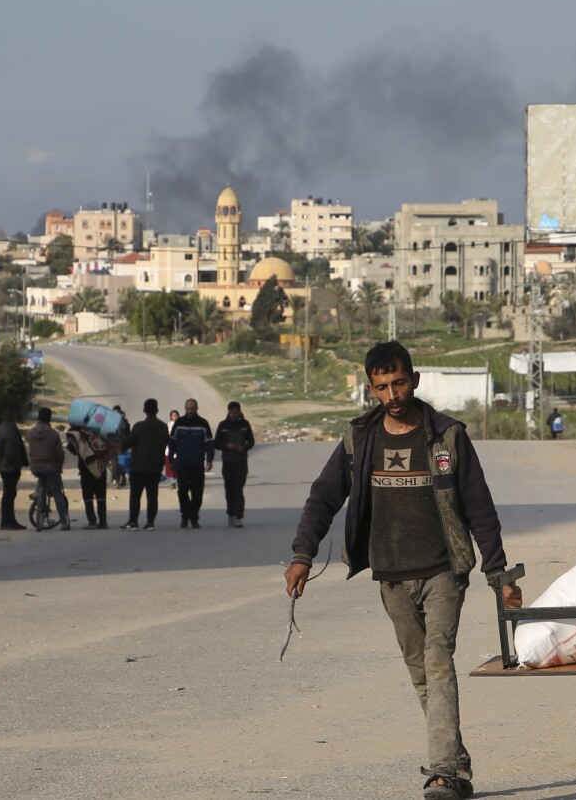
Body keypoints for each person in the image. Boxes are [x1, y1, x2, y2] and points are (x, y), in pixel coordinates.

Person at [284, 341, 521, 800]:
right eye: (382, 387)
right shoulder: (359, 441)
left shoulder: (447, 436)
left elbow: (479, 507)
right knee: (419, 671)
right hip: (391, 575)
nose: (392, 394)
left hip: (443, 571)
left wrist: (500, 576)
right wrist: (301, 555)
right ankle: (455, 759)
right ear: (371, 389)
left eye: (398, 383)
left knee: (437, 660)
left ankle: (442, 772)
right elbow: (322, 498)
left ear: (413, 379)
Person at [120, 398, 169, 530]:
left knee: (135, 495)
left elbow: (126, 443)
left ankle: (133, 521)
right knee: (152, 495)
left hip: (138, 466)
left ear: (144, 410)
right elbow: (166, 443)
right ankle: (150, 522)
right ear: (157, 410)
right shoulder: (163, 426)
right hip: (155, 467)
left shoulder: (139, 426)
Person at [169, 398, 215, 528]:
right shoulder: (179, 423)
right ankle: (185, 516)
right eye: (188, 409)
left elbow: (209, 443)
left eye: (192, 409)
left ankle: (194, 517)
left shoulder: (203, 423)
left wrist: (210, 459)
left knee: (198, 492)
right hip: (182, 463)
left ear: (196, 409)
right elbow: (172, 442)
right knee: (182, 491)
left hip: (197, 463)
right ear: (185, 409)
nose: (190, 411)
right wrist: (171, 459)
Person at [26, 407, 71, 531]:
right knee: (57, 493)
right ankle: (64, 522)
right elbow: (59, 454)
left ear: (38, 417)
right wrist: (59, 466)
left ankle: (37, 492)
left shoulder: (30, 433)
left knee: (41, 476)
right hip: (50, 466)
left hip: (34, 466)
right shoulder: (53, 434)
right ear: (49, 418)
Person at [215, 400, 256, 528]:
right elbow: (216, 443)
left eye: (235, 412)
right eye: (231, 412)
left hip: (241, 461)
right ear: (228, 412)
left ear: (239, 412)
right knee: (229, 489)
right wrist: (227, 445)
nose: (233, 415)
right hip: (227, 462)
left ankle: (239, 516)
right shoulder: (223, 425)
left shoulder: (245, 424)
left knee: (239, 489)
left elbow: (251, 441)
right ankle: (231, 514)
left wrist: (243, 447)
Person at [65, 425, 111, 529]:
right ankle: (103, 522)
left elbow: (72, 449)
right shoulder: (100, 432)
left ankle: (92, 522)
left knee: (88, 497)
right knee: (101, 497)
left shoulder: (79, 434)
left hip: (86, 469)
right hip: (100, 469)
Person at [0, 410, 28, 530]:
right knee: (9, 494)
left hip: (4, 466)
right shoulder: (9, 430)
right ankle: (7, 521)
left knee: (9, 494)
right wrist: (17, 464)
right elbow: (10, 452)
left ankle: (9, 520)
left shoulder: (2, 428)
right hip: (9, 467)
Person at [112, 405, 131, 486]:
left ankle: (123, 478)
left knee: (121, 462)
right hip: (112, 445)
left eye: (117, 412)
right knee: (115, 464)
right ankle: (117, 480)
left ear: (120, 412)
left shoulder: (124, 421)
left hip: (122, 445)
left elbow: (127, 433)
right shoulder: (110, 421)